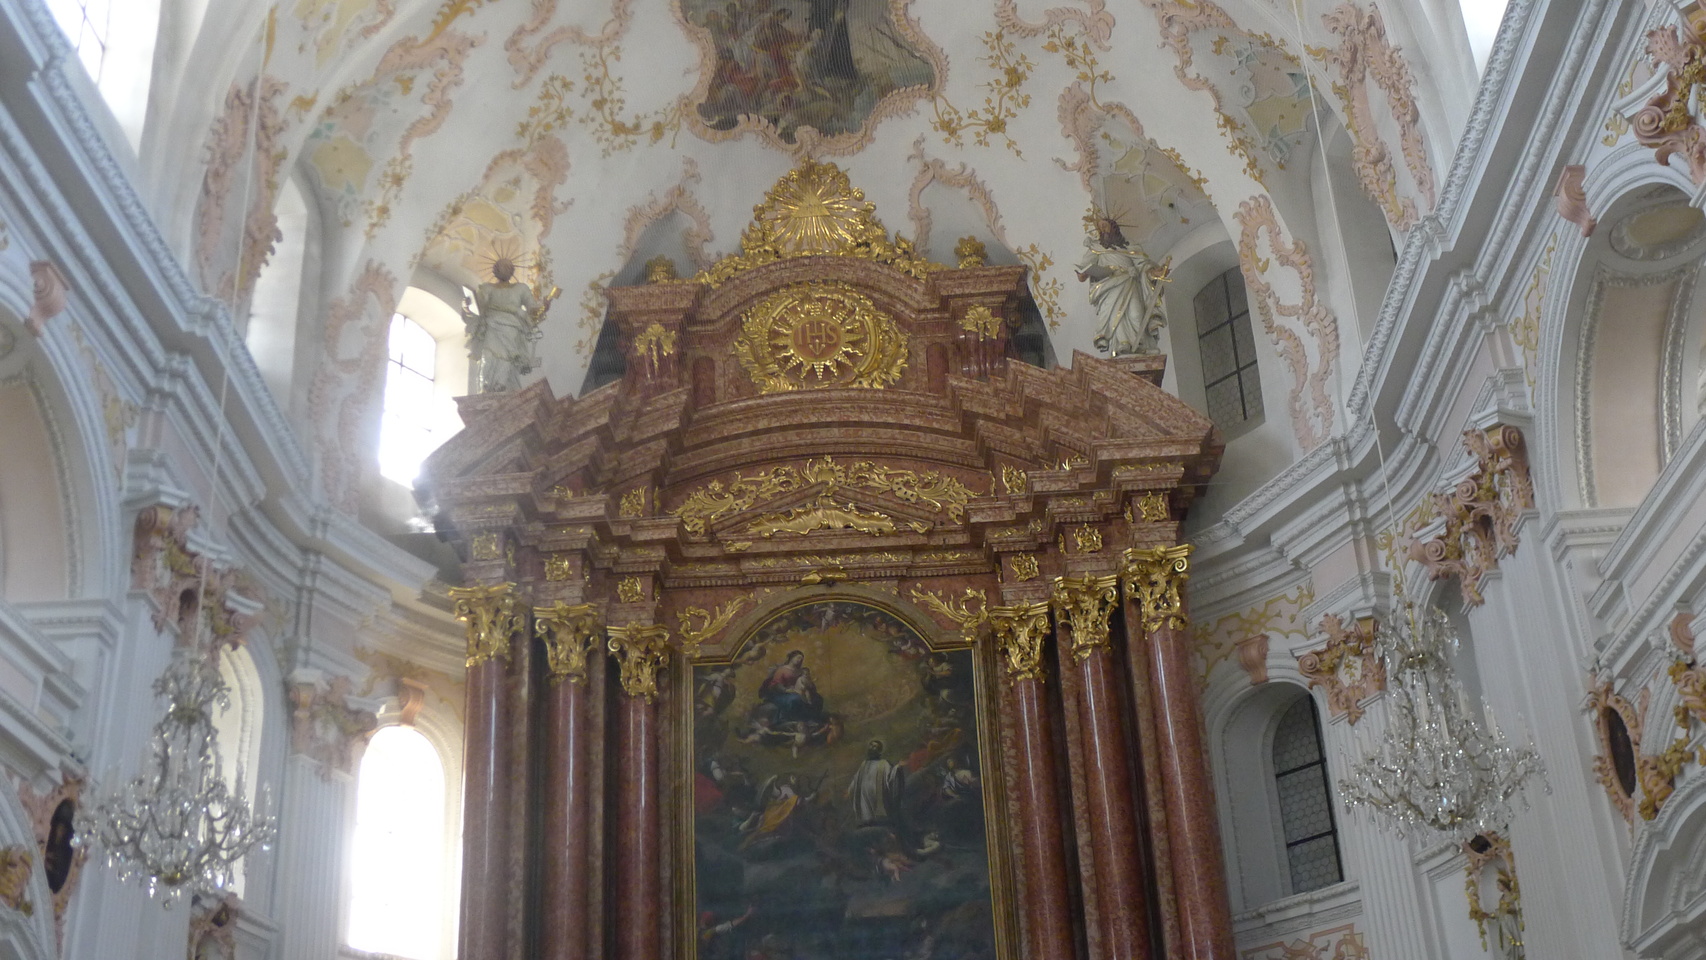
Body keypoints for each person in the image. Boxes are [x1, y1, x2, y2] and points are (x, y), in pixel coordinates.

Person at [1075, 217, 1170, 356]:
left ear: (1114, 228)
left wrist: (1154, 273)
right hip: (1109, 286)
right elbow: (1083, 270)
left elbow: (1143, 266)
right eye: (1100, 228)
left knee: (1136, 313)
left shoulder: (1130, 247)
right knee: (1116, 315)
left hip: (1130, 282)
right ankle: (1121, 344)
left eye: (1105, 226)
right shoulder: (1095, 248)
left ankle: (1141, 345)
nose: (1103, 230)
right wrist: (1083, 274)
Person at [465, 256, 545, 393]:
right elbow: (478, 308)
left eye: (508, 267)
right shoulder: (487, 288)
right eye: (501, 267)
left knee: (508, 355)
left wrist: (543, 307)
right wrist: (466, 305)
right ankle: (485, 385)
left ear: (512, 271)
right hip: (491, 325)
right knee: (488, 355)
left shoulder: (521, 288)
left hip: (512, 326)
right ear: (495, 270)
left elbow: (532, 309)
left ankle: (500, 384)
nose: (505, 270)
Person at [846, 738, 902, 826]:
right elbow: (856, 780)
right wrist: (850, 790)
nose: (872, 748)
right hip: (865, 806)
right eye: (871, 746)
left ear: (879, 751)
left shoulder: (885, 764)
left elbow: (893, 781)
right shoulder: (864, 765)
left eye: (875, 746)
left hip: (879, 806)